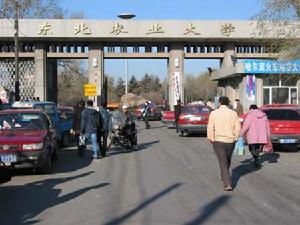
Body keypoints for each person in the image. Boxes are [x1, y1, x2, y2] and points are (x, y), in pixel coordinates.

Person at [207, 96, 241, 191]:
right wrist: (236, 137)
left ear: (220, 103)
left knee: (224, 161)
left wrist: (211, 138)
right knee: (226, 160)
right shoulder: (233, 113)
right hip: (230, 141)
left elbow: (210, 127)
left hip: (218, 141)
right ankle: (226, 181)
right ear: (228, 103)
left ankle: (226, 182)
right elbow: (237, 127)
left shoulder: (214, 113)